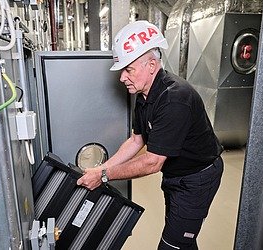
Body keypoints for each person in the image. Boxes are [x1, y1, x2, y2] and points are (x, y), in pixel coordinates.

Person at [77, 20, 224, 250]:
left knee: (171, 245)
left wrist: (104, 176)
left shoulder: (175, 99)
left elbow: (153, 161)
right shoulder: (144, 95)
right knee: (181, 239)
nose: (122, 77)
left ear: (152, 65)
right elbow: (137, 140)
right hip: (175, 175)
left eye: (129, 69)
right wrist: (99, 169)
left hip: (197, 178)